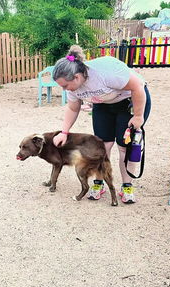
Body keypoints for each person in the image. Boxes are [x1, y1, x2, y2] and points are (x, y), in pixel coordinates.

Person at [52, 45, 151, 204]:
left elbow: (137, 86)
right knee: (101, 146)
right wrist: (64, 132)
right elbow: (73, 107)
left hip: (130, 101)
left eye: (65, 85)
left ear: (77, 77)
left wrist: (139, 116)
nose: (64, 89)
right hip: (103, 104)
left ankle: (127, 186)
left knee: (125, 146)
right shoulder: (73, 88)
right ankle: (99, 182)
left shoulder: (106, 71)